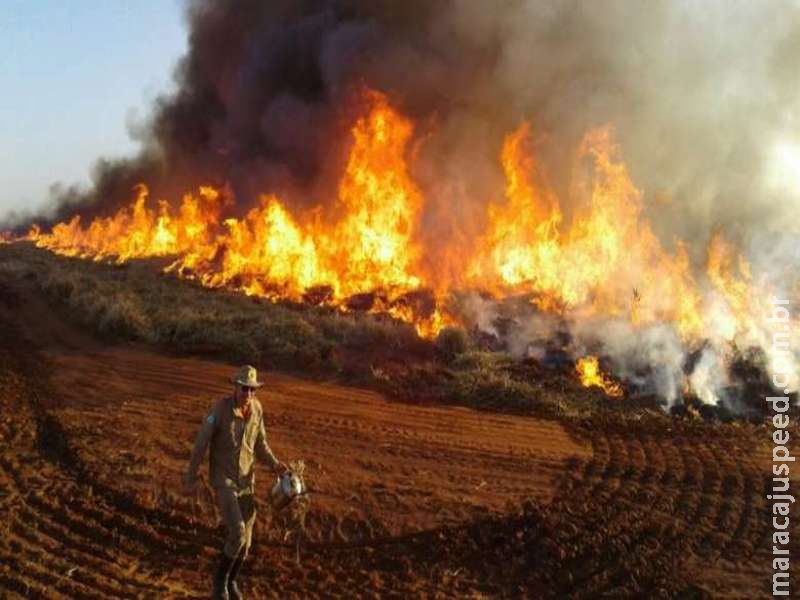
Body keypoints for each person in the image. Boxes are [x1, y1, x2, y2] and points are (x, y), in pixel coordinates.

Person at [185, 365, 287, 600]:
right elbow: (201, 443)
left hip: (246, 482)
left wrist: (275, 464)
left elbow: (260, 444)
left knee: (247, 541)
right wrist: (191, 475)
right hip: (224, 481)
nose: (248, 394)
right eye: (244, 389)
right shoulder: (219, 410)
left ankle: (231, 581)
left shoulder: (257, 410)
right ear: (235, 387)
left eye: (252, 390)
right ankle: (218, 584)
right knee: (238, 532)